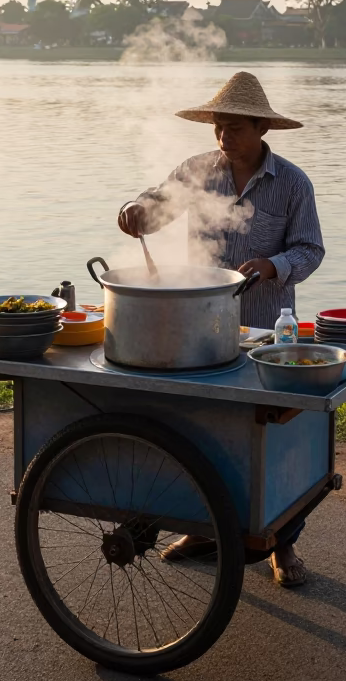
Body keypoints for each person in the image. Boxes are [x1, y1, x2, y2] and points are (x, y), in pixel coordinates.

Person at [118, 71, 324, 586]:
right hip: (201, 324)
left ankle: (282, 544)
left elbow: (310, 249)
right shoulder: (197, 171)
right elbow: (155, 205)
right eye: (217, 127)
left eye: (233, 127)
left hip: (264, 329)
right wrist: (134, 212)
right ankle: (201, 528)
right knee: (202, 426)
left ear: (261, 129)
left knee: (271, 433)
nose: (223, 137)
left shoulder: (293, 183)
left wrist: (273, 265)